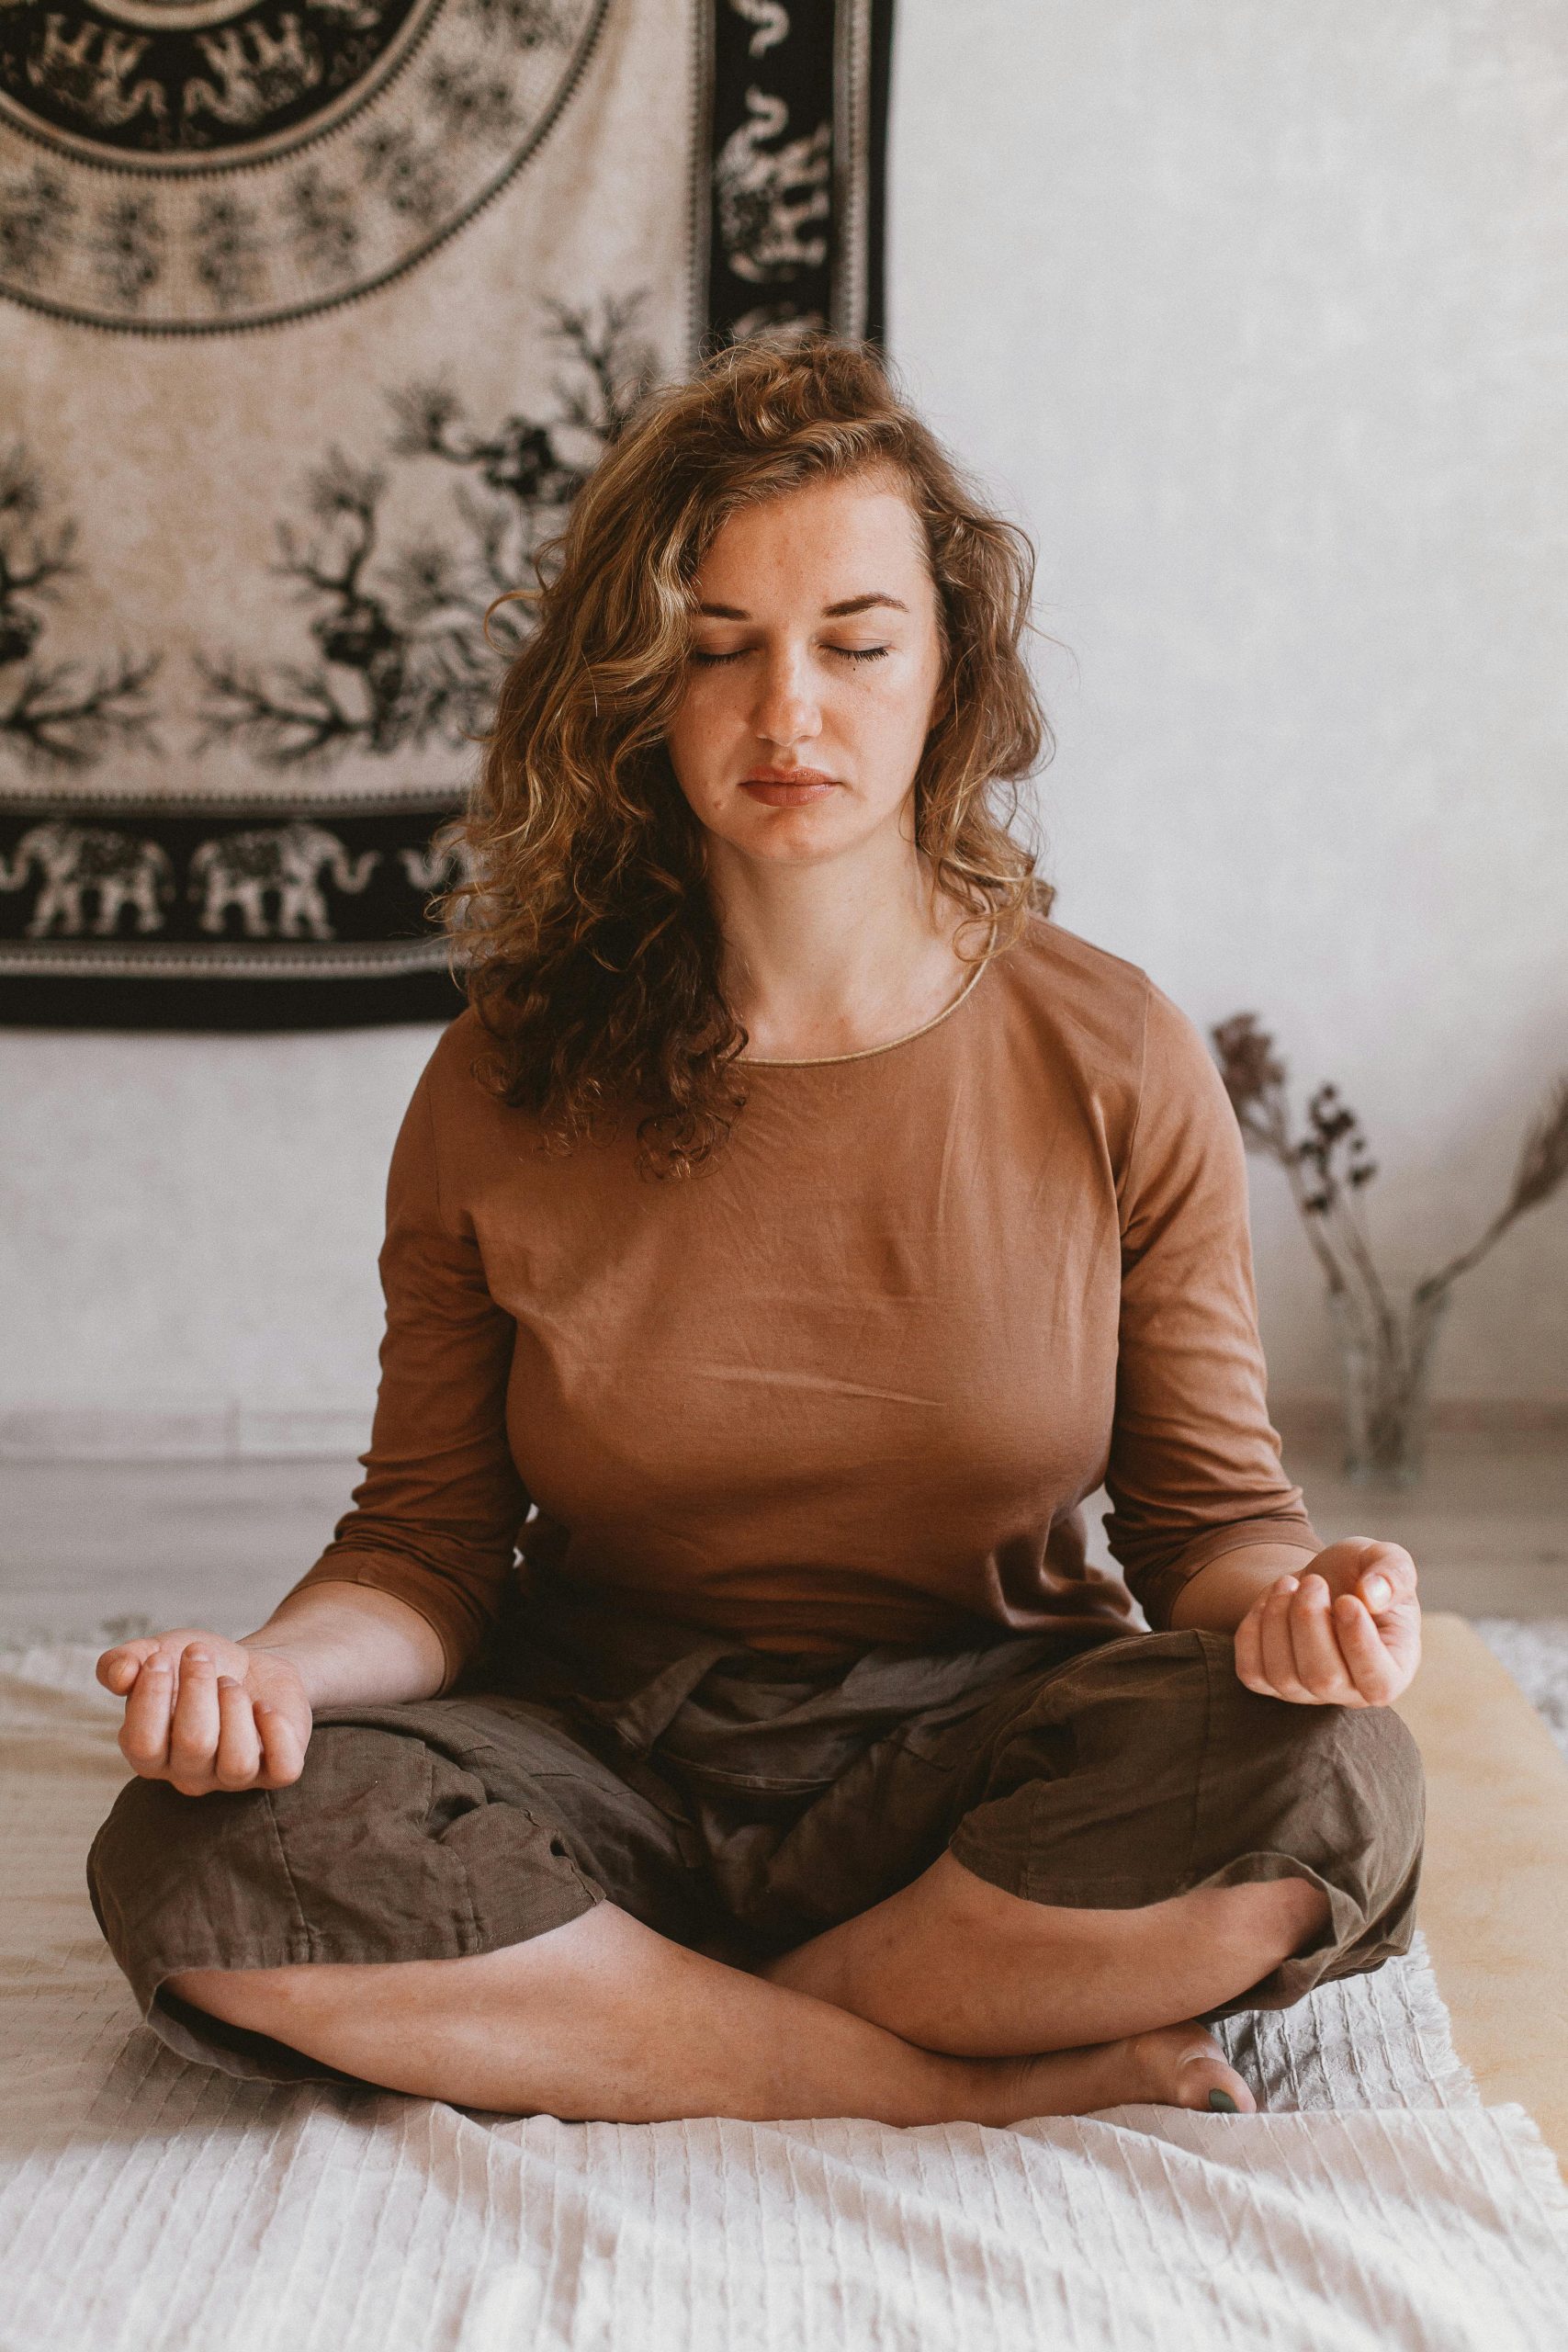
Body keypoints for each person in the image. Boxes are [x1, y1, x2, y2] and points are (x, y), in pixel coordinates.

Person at [85, 335, 1424, 2130]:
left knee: (1331, 1778)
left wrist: (1309, 1614)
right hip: (591, 1749)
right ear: (640, 688)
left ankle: (622, 2016)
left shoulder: (1110, 1048)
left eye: (854, 643)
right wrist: (259, 1676)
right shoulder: (504, 1076)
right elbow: (423, 1543)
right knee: (194, 1847)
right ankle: (923, 2073)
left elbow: (1205, 1522)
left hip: (980, 1759)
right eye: (719, 649)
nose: (788, 711)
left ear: (946, 667)